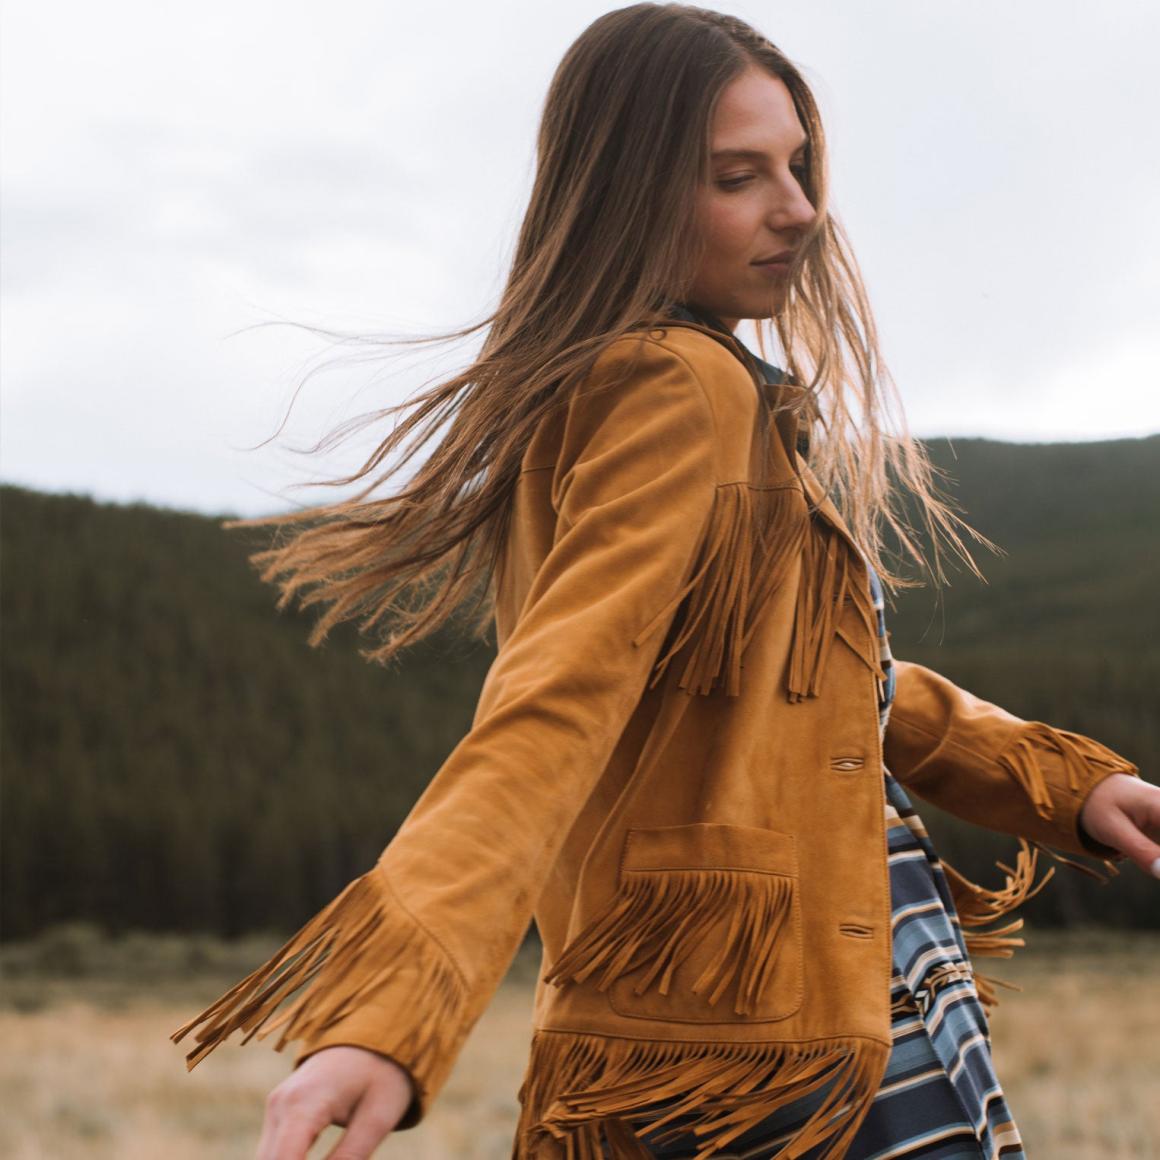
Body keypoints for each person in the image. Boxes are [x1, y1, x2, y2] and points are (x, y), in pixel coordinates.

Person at [170, 5, 1159, 1158]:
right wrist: (387, 1014)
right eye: (738, 176)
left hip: (811, 1001)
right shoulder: (674, 388)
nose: (796, 208)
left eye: (796, 166)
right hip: (755, 1055)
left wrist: (1056, 782)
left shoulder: (672, 385)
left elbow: (822, 678)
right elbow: (555, 700)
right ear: (625, 195)